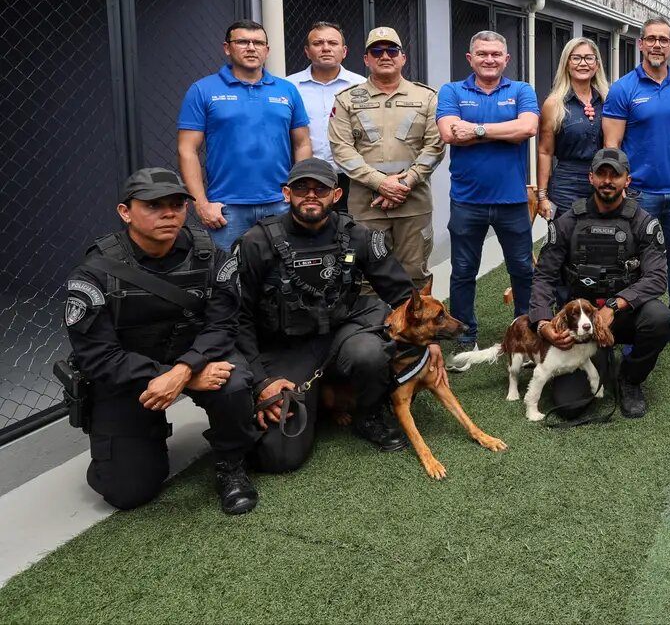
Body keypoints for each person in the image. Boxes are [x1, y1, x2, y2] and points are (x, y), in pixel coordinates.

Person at [60, 167, 259, 514]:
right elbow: (98, 357)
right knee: (128, 491)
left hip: (196, 356)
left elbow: (223, 326)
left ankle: (231, 463)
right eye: (153, 205)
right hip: (129, 376)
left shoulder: (211, 256)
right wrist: (177, 376)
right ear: (125, 212)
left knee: (234, 382)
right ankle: (140, 436)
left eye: (177, 205)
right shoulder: (95, 272)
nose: (168, 213)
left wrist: (184, 370)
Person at [234, 158, 431, 472]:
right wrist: (261, 381)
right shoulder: (256, 242)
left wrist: (428, 344)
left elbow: (402, 295)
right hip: (286, 349)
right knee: (279, 457)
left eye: (321, 189)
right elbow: (239, 318)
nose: (311, 195)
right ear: (286, 193)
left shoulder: (358, 235)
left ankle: (368, 415)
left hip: (342, 334)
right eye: (301, 188)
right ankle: (317, 403)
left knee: (370, 352)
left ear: (336, 195)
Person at [527, 148, 670, 417]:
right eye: (601, 174)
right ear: (590, 177)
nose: (607, 181)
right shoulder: (568, 222)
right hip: (579, 322)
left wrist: (614, 305)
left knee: (659, 317)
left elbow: (657, 278)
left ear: (627, 180)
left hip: (623, 314)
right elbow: (543, 276)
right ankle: (600, 359)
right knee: (569, 407)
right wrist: (543, 324)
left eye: (615, 175)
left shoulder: (643, 223)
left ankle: (630, 378)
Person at [602, 16, 670, 353]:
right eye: (651, 39)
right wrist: (617, 187)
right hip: (639, 194)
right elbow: (612, 145)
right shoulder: (623, 89)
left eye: (663, 40)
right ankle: (632, 328)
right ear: (641, 44)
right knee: (633, 263)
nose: (657, 45)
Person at [436, 30, 540, 349]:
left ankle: (526, 330)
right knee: (463, 271)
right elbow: (450, 133)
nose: (489, 59)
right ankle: (465, 335)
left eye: (496, 54)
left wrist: (477, 129)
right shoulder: (452, 91)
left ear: (506, 59)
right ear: (470, 58)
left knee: (522, 269)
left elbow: (528, 127)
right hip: (467, 201)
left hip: (512, 200)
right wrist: (505, 132)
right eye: (482, 54)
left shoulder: (521, 90)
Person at [177, 20, 312, 251]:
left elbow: (302, 144)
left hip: (280, 204)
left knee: (283, 269)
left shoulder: (287, 90)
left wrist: (298, 192)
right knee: (228, 271)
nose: (251, 48)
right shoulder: (202, 90)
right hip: (225, 208)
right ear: (227, 48)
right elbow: (187, 149)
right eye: (242, 42)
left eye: (258, 43)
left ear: (267, 50)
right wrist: (201, 204)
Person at [328, 27, 443, 288]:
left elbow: (435, 147)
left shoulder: (427, 97)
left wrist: (404, 183)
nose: (385, 56)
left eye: (392, 50)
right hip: (368, 207)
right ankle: (375, 319)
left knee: (415, 276)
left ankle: (415, 318)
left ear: (403, 57)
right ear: (366, 59)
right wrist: (381, 183)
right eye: (377, 51)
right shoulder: (346, 100)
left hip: (413, 204)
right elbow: (342, 150)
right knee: (368, 279)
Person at [287, 22, 366, 210]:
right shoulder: (289, 87)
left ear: (344, 51)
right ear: (307, 51)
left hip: (352, 177)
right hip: (305, 178)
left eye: (332, 43)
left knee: (350, 227)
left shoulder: (361, 86)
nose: (325, 48)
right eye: (318, 43)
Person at [537, 37, 609, 219]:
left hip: (604, 182)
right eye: (576, 58)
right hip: (566, 186)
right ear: (567, 64)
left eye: (589, 58)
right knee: (568, 235)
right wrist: (542, 196)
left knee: (602, 235)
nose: (583, 63)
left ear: (597, 64)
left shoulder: (608, 101)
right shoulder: (554, 104)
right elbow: (545, 152)